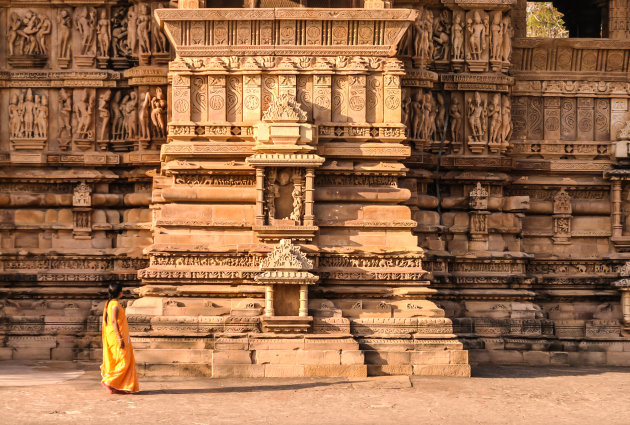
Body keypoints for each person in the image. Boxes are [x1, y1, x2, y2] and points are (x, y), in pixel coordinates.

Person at [101, 283, 139, 394]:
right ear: (119, 293)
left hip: (112, 335)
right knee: (124, 361)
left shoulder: (109, 303)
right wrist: (120, 338)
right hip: (116, 336)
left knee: (117, 360)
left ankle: (116, 385)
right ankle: (109, 381)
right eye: (121, 291)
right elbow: (113, 321)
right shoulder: (114, 305)